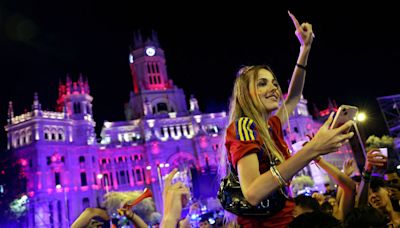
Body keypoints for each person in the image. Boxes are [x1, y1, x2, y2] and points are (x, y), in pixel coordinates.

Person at [219, 11, 355, 228]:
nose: (273, 88)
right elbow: (253, 193)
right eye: (262, 83)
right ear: (245, 94)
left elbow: (292, 98)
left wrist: (305, 49)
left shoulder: (269, 127)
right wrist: (312, 150)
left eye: (274, 83)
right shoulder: (244, 127)